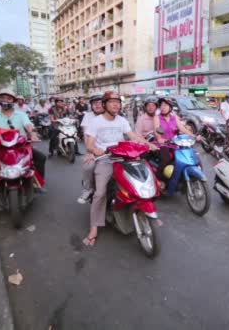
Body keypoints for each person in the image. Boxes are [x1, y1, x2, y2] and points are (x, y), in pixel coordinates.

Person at [83, 91, 156, 246]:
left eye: (118, 101)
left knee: (140, 178)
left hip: (125, 157)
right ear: (104, 104)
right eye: (112, 101)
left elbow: (133, 135)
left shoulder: (122, 120)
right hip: (106, 159)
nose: (116, 104)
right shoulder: (96, 121)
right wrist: (95, 150)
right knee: (100, 192)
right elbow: (89, 143)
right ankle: (94, 226)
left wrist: (147, 144)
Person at [0, 89, 46, 193]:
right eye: (2, 98)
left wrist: (33, 134)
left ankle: (37, 184)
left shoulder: (21, 114)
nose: (6, 101)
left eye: (9, 98)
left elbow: (29, 126)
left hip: (21, 146)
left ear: (13, 101)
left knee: (41, 157)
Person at [153, 97, 199, 180]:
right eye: (161, 105)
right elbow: (156, 131)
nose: (163, 107)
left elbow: (183, 129)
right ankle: (158, 179)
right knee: (166, 159)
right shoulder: (157, 117)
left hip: (175, 143)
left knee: (185, 157)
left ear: (170, 107)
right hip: (162, 144)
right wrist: (159, 138)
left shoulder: (174, 117)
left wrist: (194, 136)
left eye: (165, 105)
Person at [77, 94, 105, 204]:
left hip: (112, 149)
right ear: (91, 106)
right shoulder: (88, 116)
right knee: (88, 166)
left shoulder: (110, 114)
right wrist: (90, 151)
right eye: (94, 103)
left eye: (100, 102)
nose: (97, 105)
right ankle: (87, 189)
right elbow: (86, 135)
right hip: (94, 149)